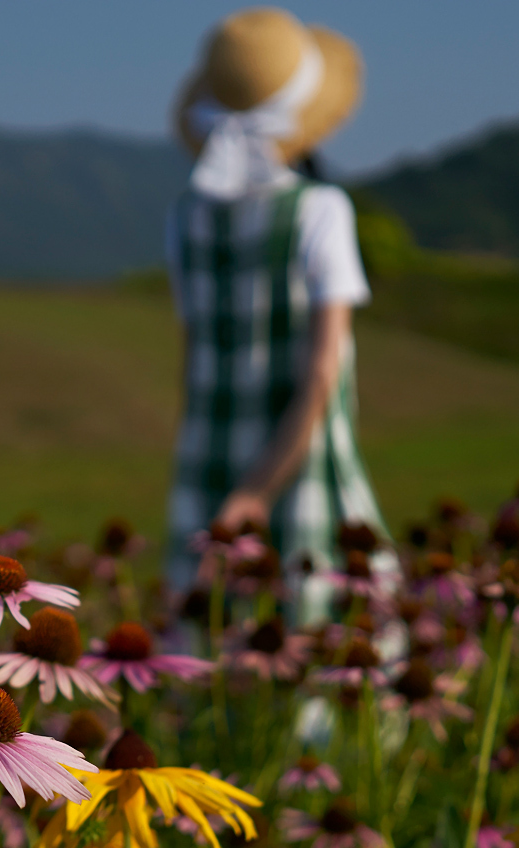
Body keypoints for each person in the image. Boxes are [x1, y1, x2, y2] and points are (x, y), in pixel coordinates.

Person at [163, 7, 398, 628]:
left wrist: (231, 492)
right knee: (317, 642)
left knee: (206, 650)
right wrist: (258, 493)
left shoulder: (186, 216)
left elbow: (196, 359)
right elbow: (321, 374)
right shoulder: (320, 210)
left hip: (206, 466)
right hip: (298, 469)